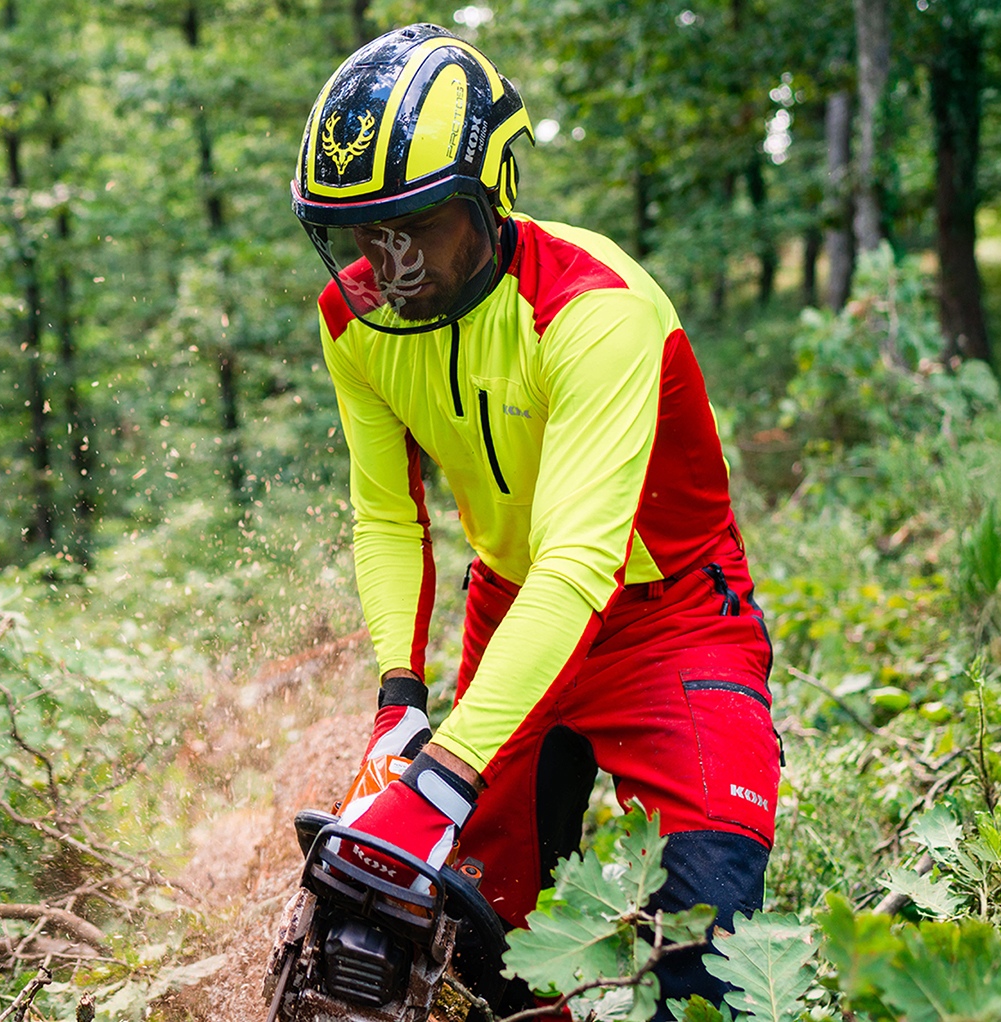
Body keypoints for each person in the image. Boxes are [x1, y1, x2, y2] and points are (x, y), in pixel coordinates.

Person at [290, 23, 780, 1016]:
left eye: (415, 226)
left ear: (488, 198)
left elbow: (580, 562)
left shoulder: (595, 308)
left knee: (703, 940)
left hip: (670, 612)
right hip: (512, 604)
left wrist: (447, 769)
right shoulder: (353, 319)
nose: (391, 264)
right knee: (471, 926)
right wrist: (399, 698)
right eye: (363, 234)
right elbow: (387, 514)